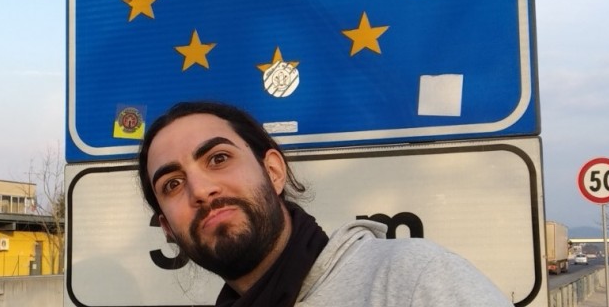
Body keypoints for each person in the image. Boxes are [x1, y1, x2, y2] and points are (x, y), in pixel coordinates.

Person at [137, 101, 513, 307]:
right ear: (167, 229)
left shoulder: (409, 279)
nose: (200, 190)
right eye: (172, 184)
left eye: (218, 159)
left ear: (273, 172)